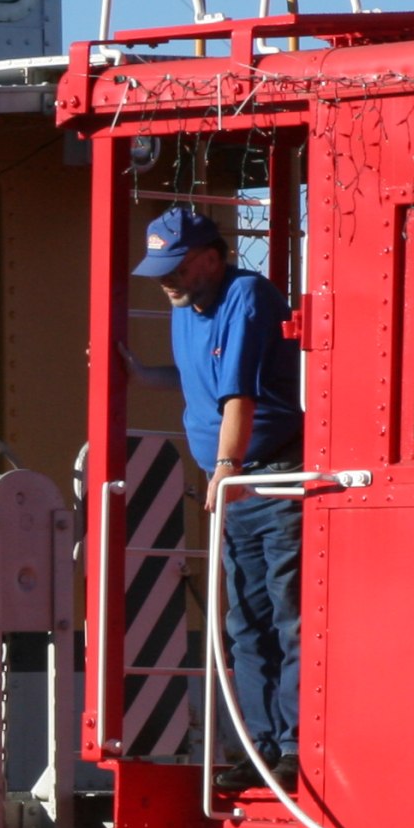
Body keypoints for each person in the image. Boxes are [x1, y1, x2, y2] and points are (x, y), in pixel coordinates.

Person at [128, 206, 304, 791]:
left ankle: (296, 745)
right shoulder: (189, 308)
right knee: (246, 620)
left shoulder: (246, 297)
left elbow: (239, 399)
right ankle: (260, 748)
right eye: (160, 270)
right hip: (236, 487)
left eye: (175, 268)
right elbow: (198, 377)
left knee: (286, 613)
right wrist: (139, 374)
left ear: (210, 257)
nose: (166, 281)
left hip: (268, 479)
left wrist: (225, 468)